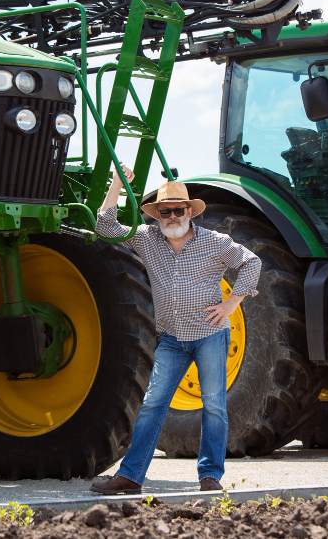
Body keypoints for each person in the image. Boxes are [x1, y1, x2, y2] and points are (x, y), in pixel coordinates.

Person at [89, 164, 262, 494]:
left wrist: (231, 304)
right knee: (153, 404)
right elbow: (105, 227)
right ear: (156, 214)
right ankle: (130, 476)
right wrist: (116, 184)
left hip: (210, 336)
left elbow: (252, 262)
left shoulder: (214, 241)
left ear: (189, 211)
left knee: (213, 405)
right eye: (165, 211)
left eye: (178, 210)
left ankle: (210, 476)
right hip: (171, 339)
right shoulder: (146, 238)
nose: (171, 216)